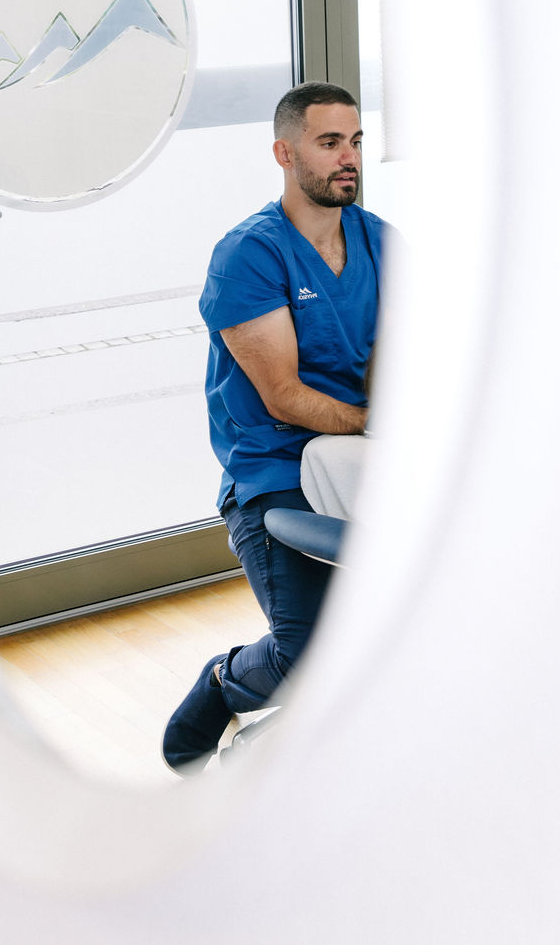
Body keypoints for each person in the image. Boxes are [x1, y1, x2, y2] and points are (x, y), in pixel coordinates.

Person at [161, 81, 387, 773]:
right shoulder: (250, 255)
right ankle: (222, 684)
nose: (349, 158)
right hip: (275, 472)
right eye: (329, 142)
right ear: (285, 154)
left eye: (355, 141)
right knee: (306, 651)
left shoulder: (381, 242)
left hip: (359, 459)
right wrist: (378, 422)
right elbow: (284, 397)